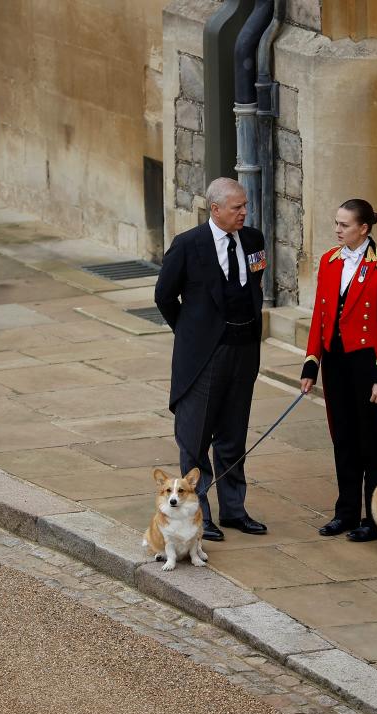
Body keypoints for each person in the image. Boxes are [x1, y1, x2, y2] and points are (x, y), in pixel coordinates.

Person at [154, 177, 268, 542]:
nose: (244, 213)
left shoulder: (253, 240)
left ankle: (234, 509)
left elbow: (255, 284)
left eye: (245, 206)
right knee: (196, 436)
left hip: (243, 351)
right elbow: (164, 297)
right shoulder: (187, 246)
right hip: (204, 357)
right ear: (215, 209)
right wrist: (191, 334)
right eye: (237, 207)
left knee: (233, 435)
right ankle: (199, 511)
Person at [300, 199, 377, 542]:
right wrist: (311, 362)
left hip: (368, 363)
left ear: (364, 228)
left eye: (344, 225)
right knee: (343, 438)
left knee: (372, 444)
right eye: (336, 223)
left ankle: (376, 520)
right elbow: (320, 314)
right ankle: (345, 512)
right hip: (336, 362)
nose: (337, 230)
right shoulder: (330, 261)